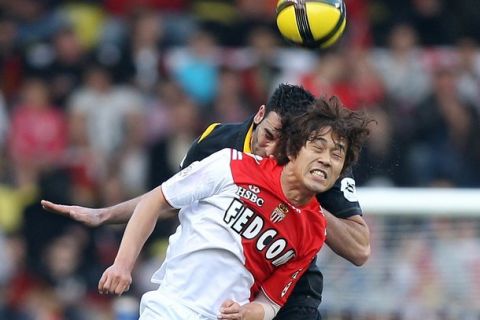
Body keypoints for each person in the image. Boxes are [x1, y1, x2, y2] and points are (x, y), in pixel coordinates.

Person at [42, 84, 371, 319]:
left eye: (283, 146)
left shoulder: (322, 163)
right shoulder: (224, 153)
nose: (271, 151)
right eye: (270, 135)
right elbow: (165, 197)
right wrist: (108, 220)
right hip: (175, 304)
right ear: (259, 115)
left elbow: (358, 248)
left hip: (280, 295)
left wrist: (303, 199)